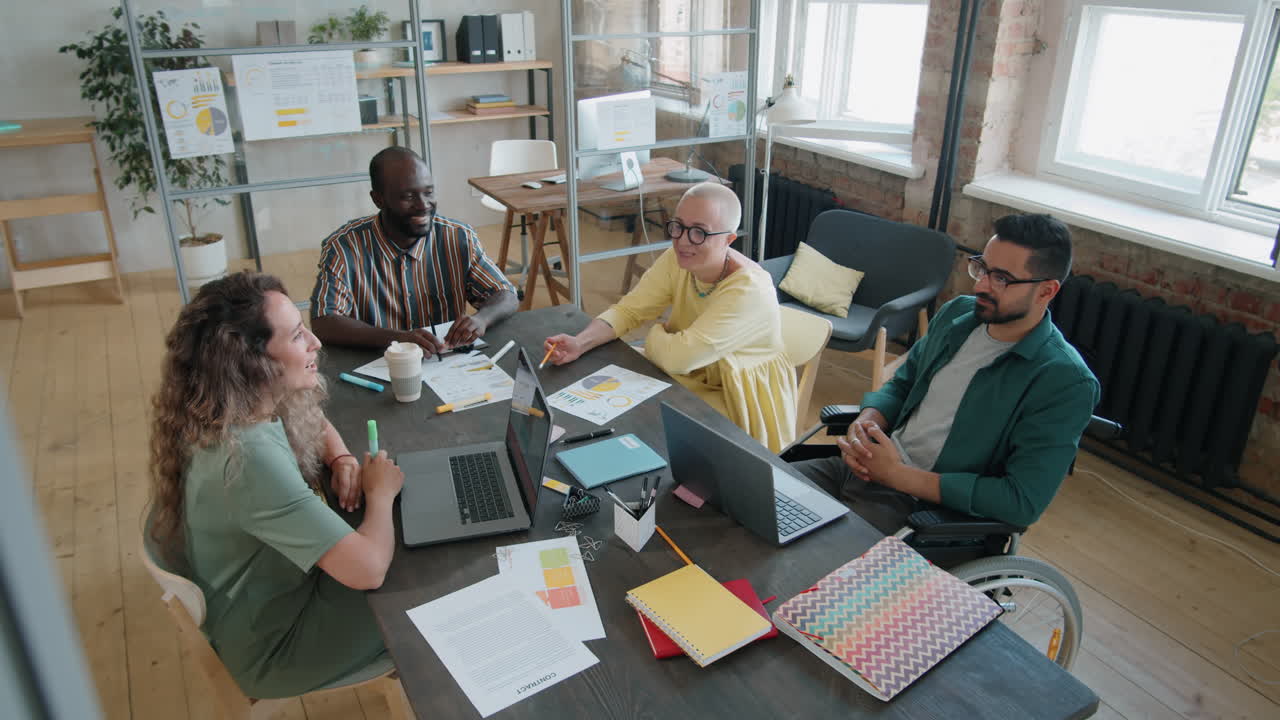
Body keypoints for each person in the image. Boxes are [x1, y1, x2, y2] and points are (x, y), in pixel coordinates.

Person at [148, 272, 404, 698]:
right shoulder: (248, 460)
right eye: (298, 336)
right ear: (252, 362)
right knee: (424, 583)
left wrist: (340, 457)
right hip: (276, 647)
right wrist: (380, 493)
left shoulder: (225, 407)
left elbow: (311, 417)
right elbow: (368, 569)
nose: (315, 343)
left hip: (265, 600)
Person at [793, 214, 1099, 534]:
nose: (980, 285)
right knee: (761, 496)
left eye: (1002, 279)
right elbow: (904, 383)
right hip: (864, 468)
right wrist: (868, 420)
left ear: (1046, 291)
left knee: (803, 552)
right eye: (982, 268)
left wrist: (897, 475)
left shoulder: (1065, 381)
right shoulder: (959, 314)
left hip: (921, 509)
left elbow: (1021, 501)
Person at [543, 182, 798, 452]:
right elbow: (629, 310)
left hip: (735, 391)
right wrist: (580, 343)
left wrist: (655, 333)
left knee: (644, 429)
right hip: (686, 372)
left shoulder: (749, 289)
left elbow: (680, 358)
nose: (683, 241)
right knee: (609, 405)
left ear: (728, 239)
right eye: (678, 226)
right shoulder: (678, 259)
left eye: (699, 232)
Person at [310, 146, 517, 356]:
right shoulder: (344, 247)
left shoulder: (458, 237)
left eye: (428, 192)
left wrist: (482, 319)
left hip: (446, 363)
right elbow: (324, 321)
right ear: (378, 199)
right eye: (408, 196)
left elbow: (506, 294)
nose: (423, 205)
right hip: (381, 362)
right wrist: (398, 339)